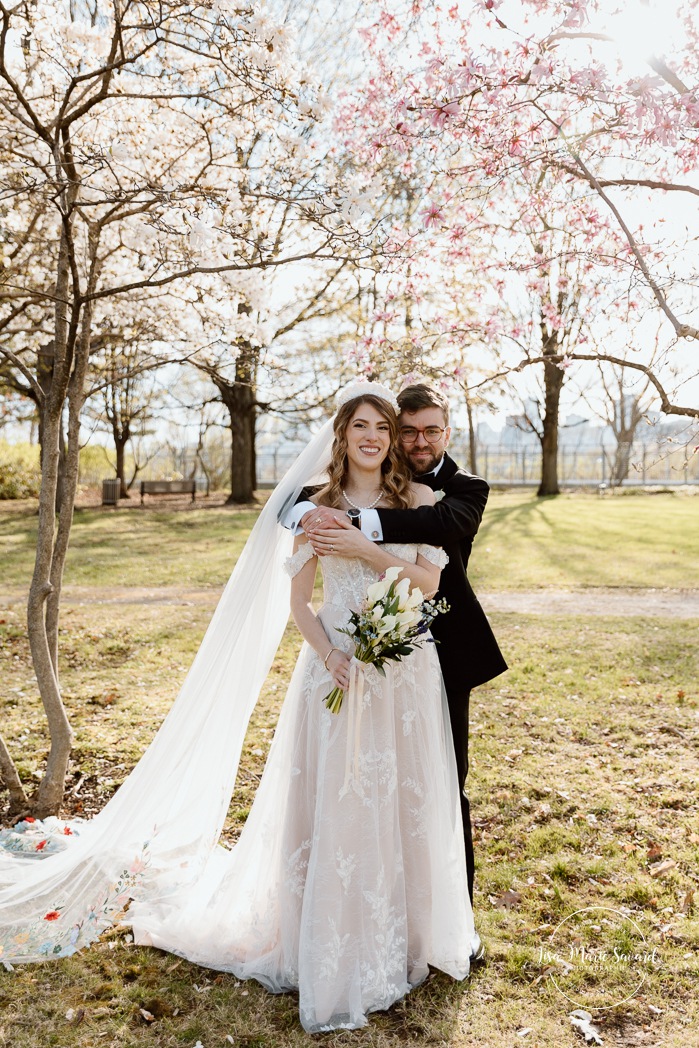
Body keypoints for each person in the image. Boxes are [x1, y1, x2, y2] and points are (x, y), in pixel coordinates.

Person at [0, 381, 475, 1034]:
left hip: (403, 672)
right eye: (358, 426)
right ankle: (332, 941)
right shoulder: (316, 507)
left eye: (380, 427)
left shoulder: (418, 498)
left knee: (401, 799)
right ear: (341, 437)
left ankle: (409, 938)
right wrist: (331, 654)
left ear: (393, 439)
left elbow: (427, 582)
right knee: (341, 801)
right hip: (333, 667)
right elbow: (301, 604)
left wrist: (367, 554)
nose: (371, 437)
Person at [289, 382, 507, 920]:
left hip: (434, 654)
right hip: (340, 654)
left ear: (446, 433)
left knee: (437, 786)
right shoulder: (318, 503)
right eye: (404, 429)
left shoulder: (458, 491)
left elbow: (433, 539)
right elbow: (292, 526)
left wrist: (358, 533)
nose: (416, 440)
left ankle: (449, 917)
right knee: (343, 785)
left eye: (429, 430)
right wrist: (302, 517)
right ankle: (341, 908)